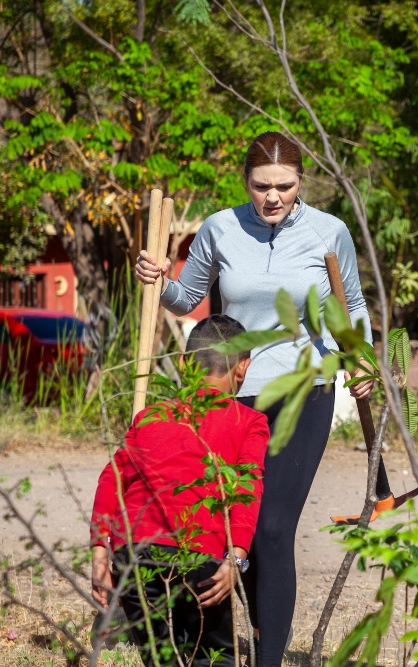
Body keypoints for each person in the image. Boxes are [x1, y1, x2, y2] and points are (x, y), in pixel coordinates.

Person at [134, 132, 376, 665]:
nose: (272, 197)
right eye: (262, 186)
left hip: (302, 390)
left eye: (284, 187)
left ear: (301, 183)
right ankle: (232, 639)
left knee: (270, 527)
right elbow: (187, 298)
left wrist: (362, 358)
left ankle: (268, 658)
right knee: (227, 525)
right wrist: (159, 280)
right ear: (245, 182)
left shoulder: (328, 232)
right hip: (232, 398)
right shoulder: (221, 227)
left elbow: (351, 303)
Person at [90, 315, 269, 667]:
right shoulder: (250, 421)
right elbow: (248, 488)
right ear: (243, 368)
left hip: (134, 557)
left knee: (161, 657)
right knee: (213, 655)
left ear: (184, 363)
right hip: (199, 555)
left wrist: (100, 552)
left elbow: (110, 480)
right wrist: (236, 557)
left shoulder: (149, 416)